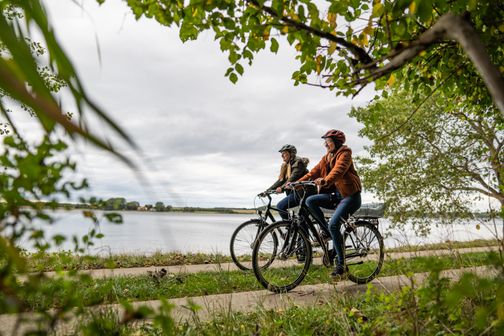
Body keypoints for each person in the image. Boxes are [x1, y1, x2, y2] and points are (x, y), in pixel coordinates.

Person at [297, 129, 362, 279]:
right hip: (336, 196)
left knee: (334, 224)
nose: (326, 144)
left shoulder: (345, 154)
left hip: (350, 196)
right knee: (310, 201)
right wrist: (296, 183)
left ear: (337, 143)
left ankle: (341, 265)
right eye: (325, 142)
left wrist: (326, 180)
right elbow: (313, 172)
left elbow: (338, 171)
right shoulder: (327, 157)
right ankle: (326, 231)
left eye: (329, 142)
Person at [263, 144, 312, 221]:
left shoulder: (298, 162)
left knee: (280, 206)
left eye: (284, 153)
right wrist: (267, 191)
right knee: (302, 218)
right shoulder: (287, 166)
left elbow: (293, 178)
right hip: (296, 192)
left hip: (303, 192)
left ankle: (290, 226)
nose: (282, 156)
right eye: (281, 154)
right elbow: (281, 180)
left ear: (291, 153)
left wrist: (282, 188)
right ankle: (295, 229)